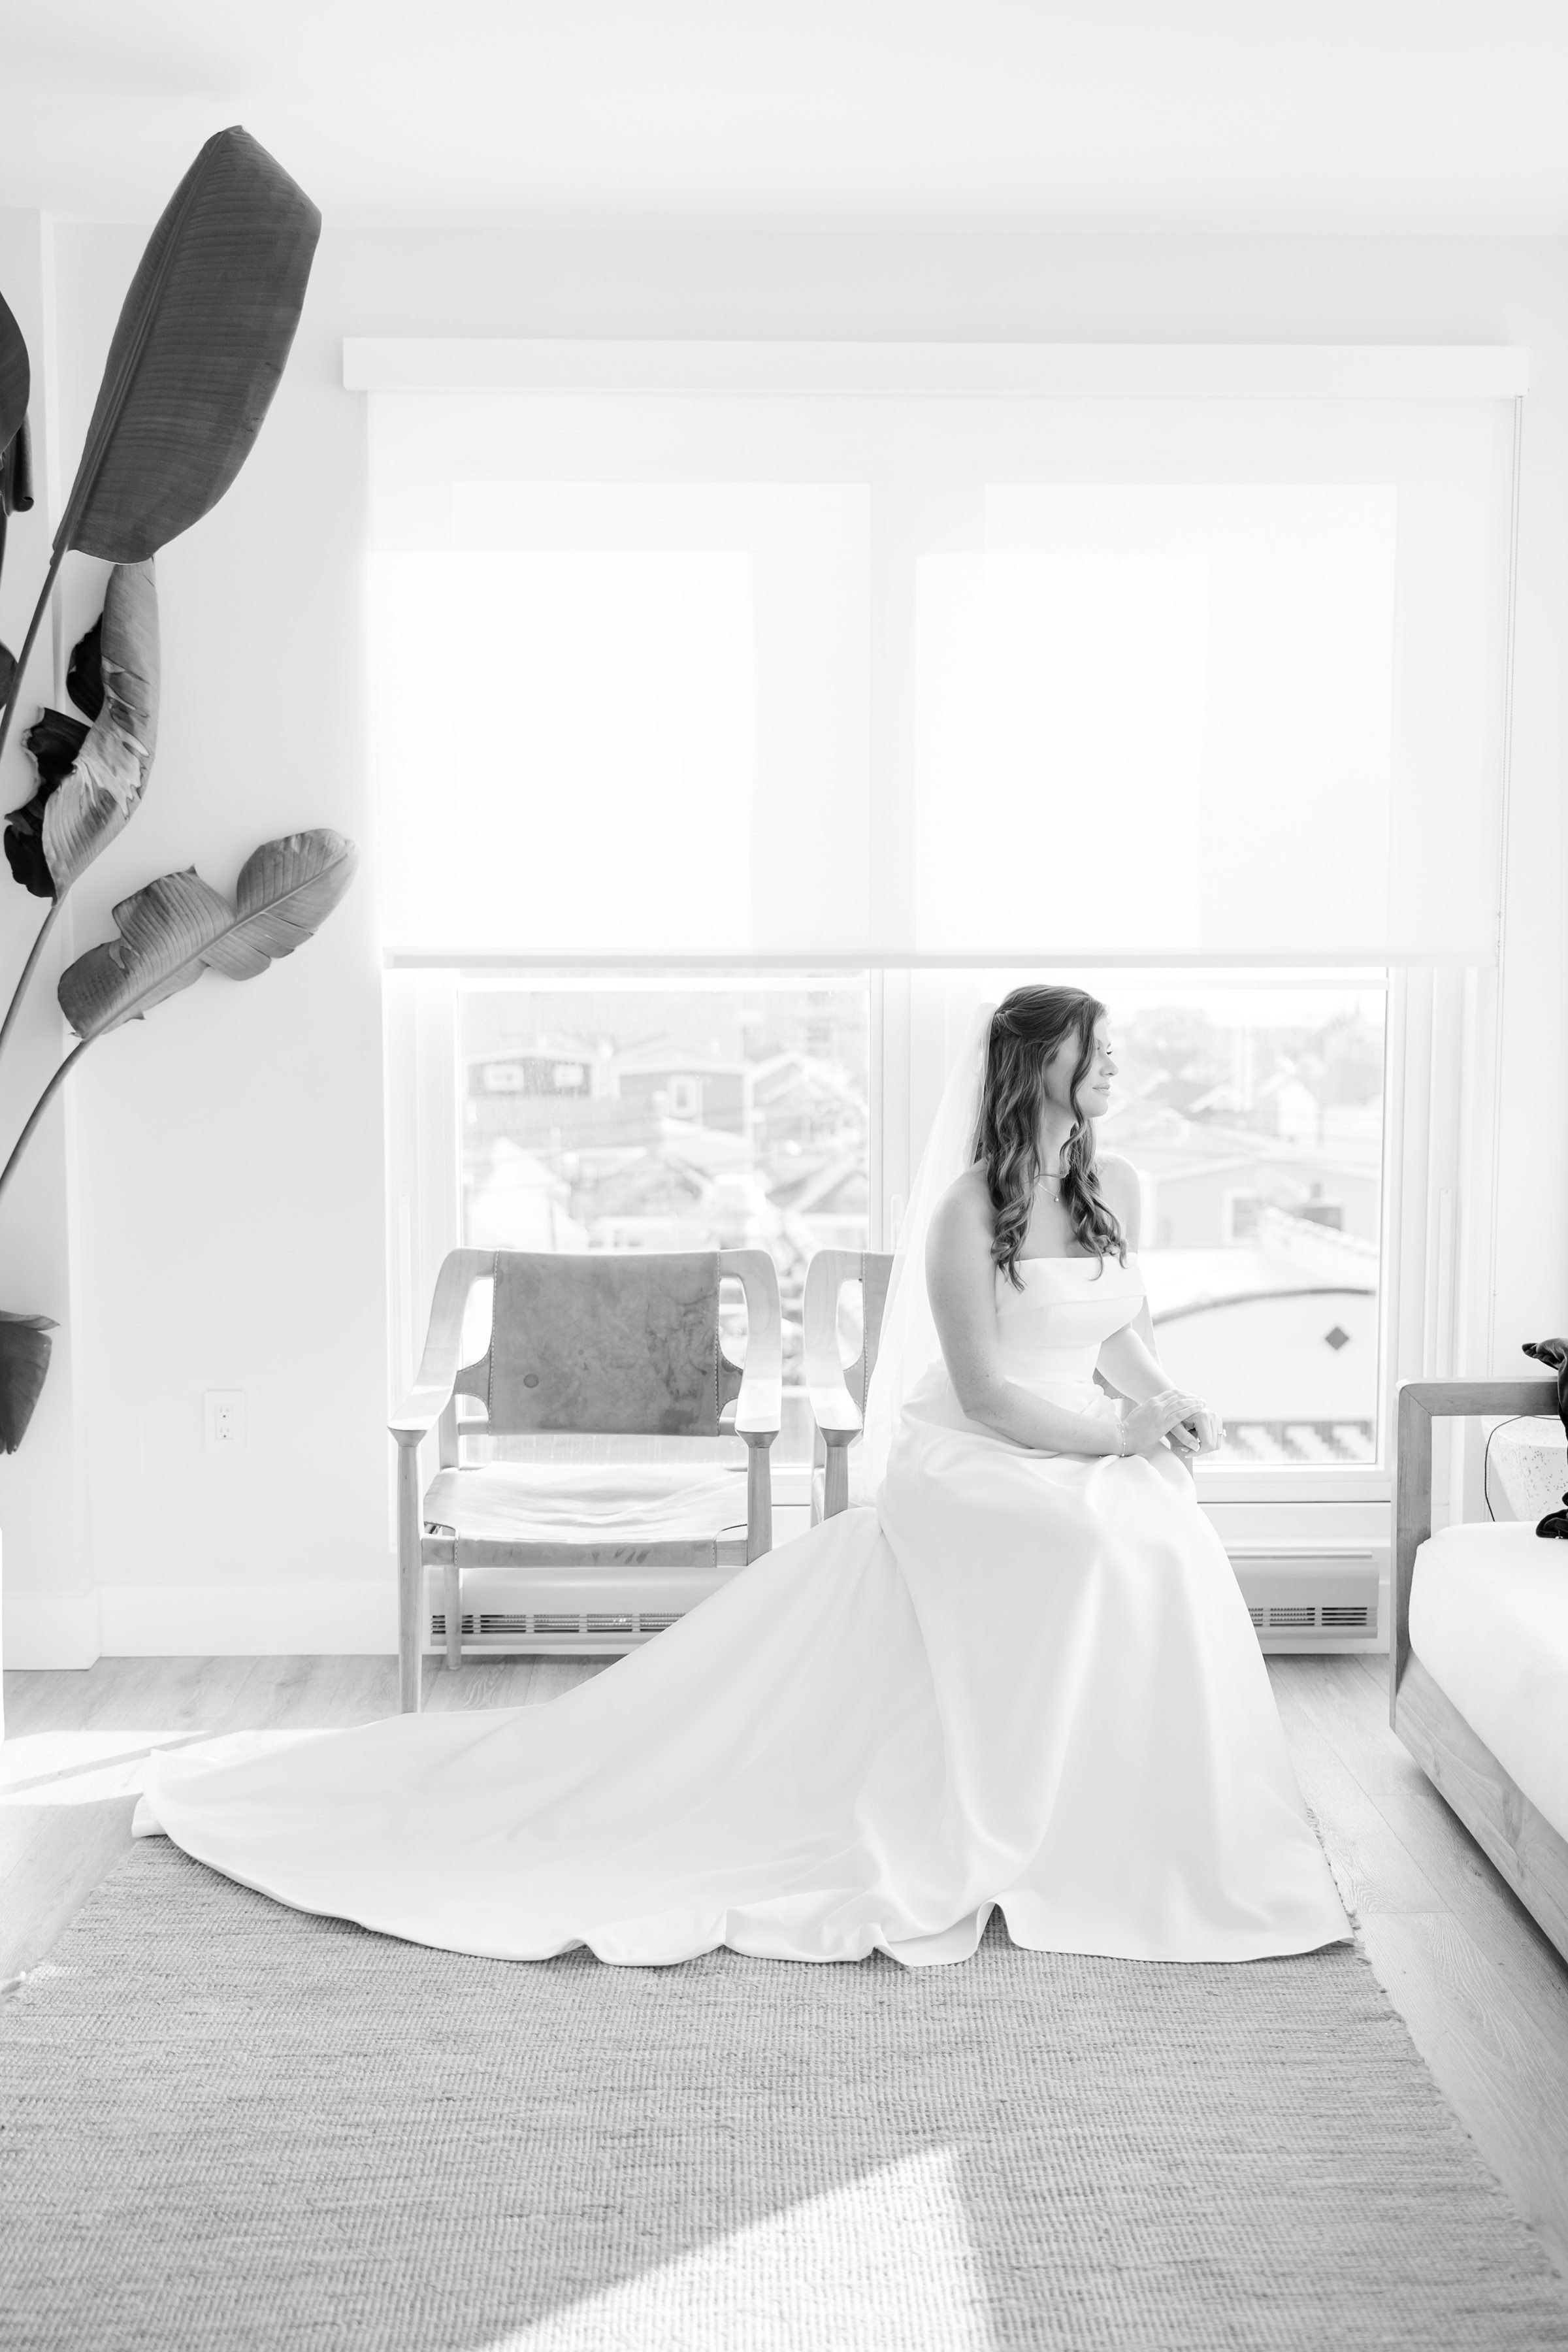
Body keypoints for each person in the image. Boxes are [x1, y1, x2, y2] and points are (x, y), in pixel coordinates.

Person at [146, 986, 1349, 1968]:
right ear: (1039, 1065)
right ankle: (1026, 1811)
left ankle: (1138, 1819)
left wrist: (1161, 1406)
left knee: (1166, 1530)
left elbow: (1122, 1330)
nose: (1116, 1068)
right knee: (1091, 1543)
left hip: (1079, 1433)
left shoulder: (1114, 1185)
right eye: (1098, 1051)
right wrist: (1112, 1441)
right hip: (978, 1455)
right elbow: (986, 1395)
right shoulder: (963, 1213)